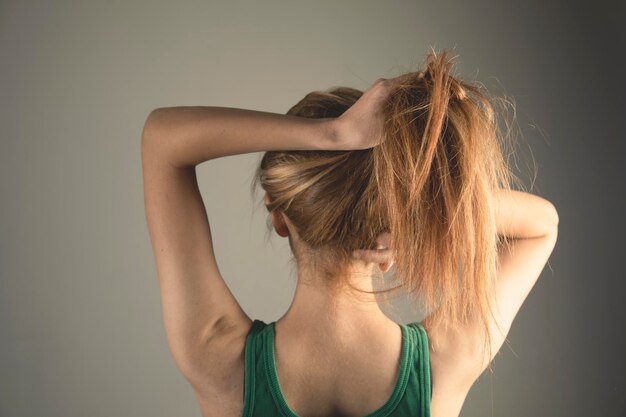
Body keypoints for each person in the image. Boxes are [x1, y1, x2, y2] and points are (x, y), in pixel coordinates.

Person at [141, 49, 559, 417]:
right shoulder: (442, 363)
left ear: (280, 216)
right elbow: (541, 226)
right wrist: (417, 209)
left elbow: (162, 139)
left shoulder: (220, 360)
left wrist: (330, 136)